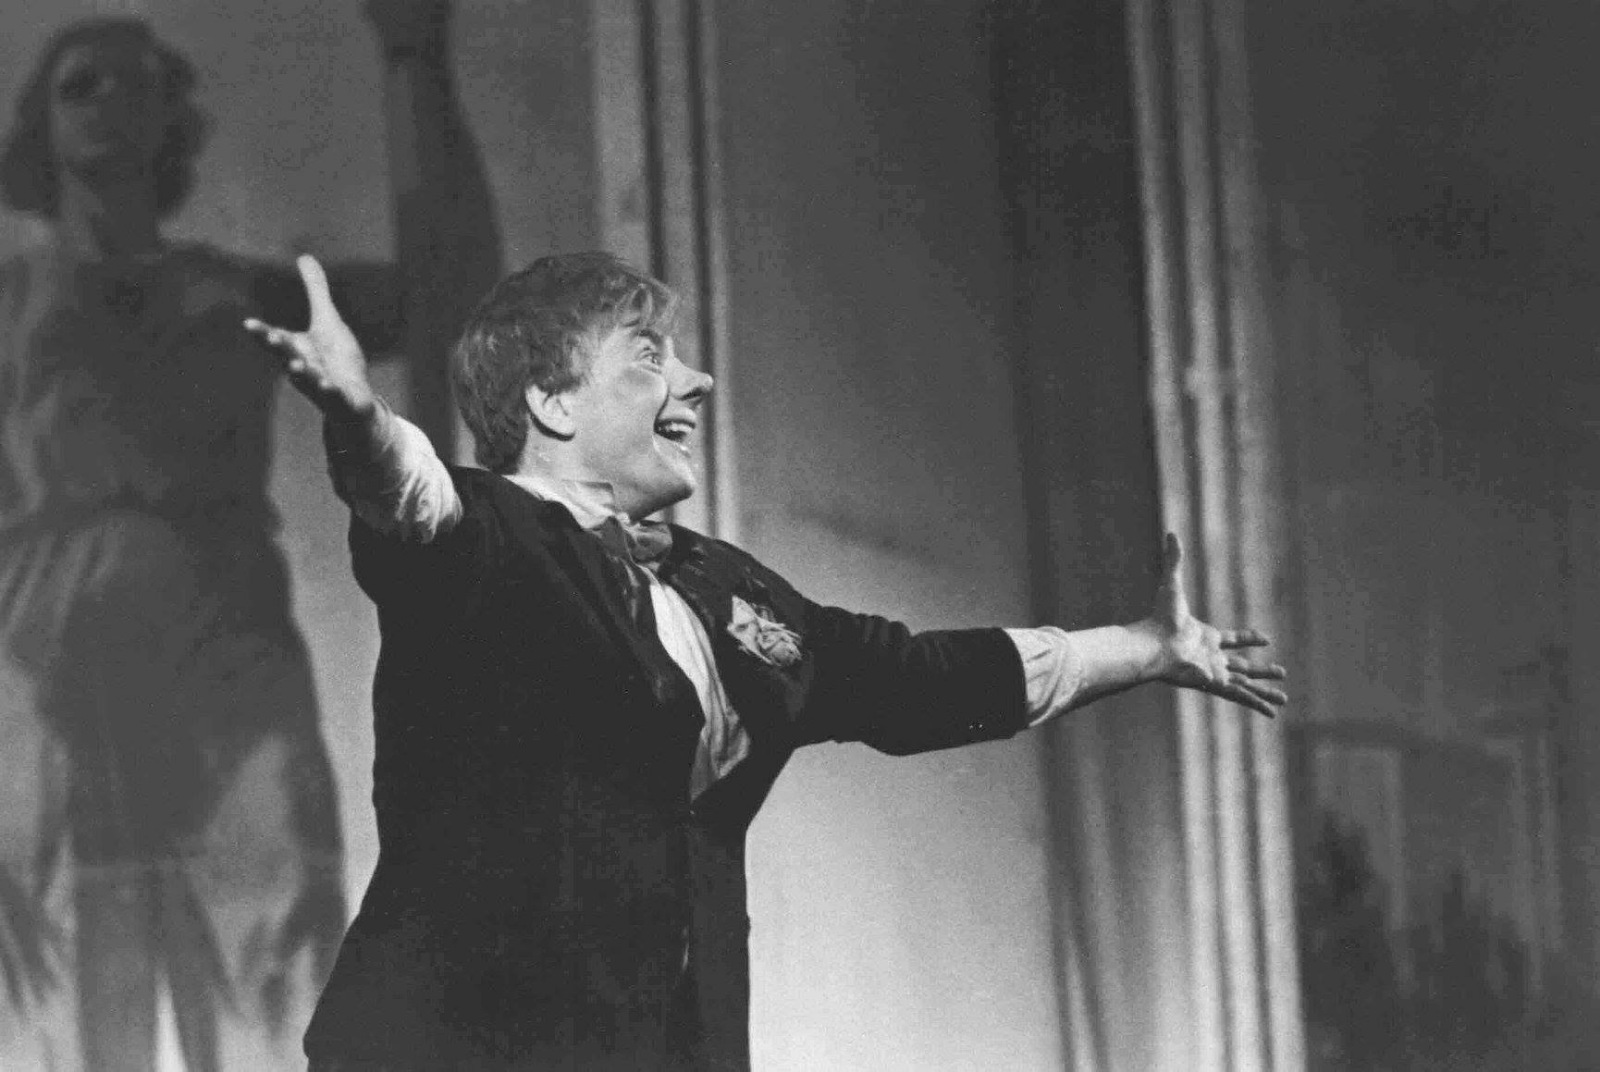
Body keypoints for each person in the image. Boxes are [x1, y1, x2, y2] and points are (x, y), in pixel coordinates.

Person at [247, 252, 1288, 1071]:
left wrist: (1146, 646)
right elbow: (408, 495)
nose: (694, 378)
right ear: (553, 404)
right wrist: (356, 415)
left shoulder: (720, 585)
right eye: (647, 355)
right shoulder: (484, 538)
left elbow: (911, 680)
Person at [0, 6, 497, 1070]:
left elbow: (452, 297)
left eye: (138, 82)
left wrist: (416, 61)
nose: (111, 101)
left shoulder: (243, 293)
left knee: (279, 978)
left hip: (224, 670)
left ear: (172, 119)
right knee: (60, 1012)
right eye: (81, 84)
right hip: (50, 680)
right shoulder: (8, 295)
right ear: (39, 127)